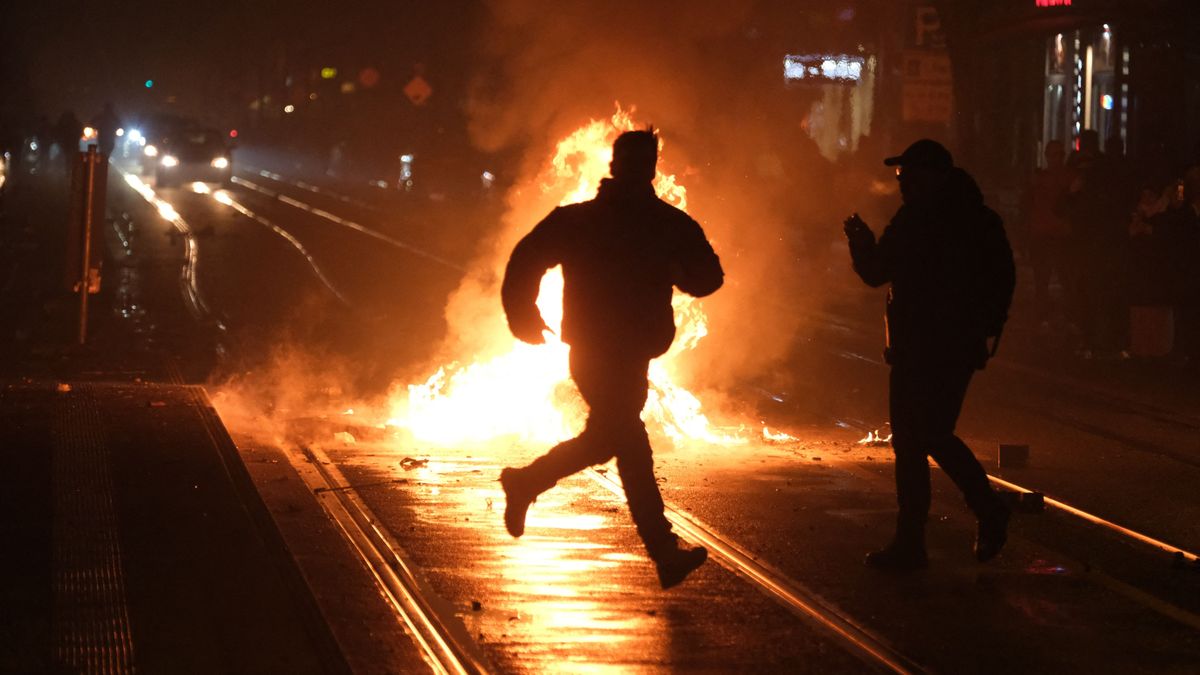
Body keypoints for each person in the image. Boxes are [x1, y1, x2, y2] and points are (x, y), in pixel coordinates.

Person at [499, 129, 724, 589]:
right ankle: (663, 552)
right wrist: (523, 315)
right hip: (607, 350)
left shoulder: (589, 220)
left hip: (614, 350)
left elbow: (526, 259)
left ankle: (526, 482)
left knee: (610, 438)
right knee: (629, 440)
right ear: (637, 167)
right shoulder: (661, 223)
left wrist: (524, 313)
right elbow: (708, 278)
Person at [842, 139, 1014, 570]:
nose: (903, 185)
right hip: (937, 346)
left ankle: (974, 515)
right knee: (920, 438)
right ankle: (916, 538)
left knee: (925, 435)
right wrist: (985, 332)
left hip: (931, 345)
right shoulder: (975, 219)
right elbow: (1002, 281)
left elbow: (877, 271)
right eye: (900, 177)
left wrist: (861, 243)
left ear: (935, 176)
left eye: (909, 176)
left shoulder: (927, 220)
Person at [1024, 140, 1074, 323]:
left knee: (1062, 278)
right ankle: (1044, 316)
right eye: (1054, 155)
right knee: (1043, 280)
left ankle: (1059, 317)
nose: (1056, 159)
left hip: (1058, 235)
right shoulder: (1043, 179)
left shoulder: (1067, 178)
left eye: (1059, 155)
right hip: (1045, 235)